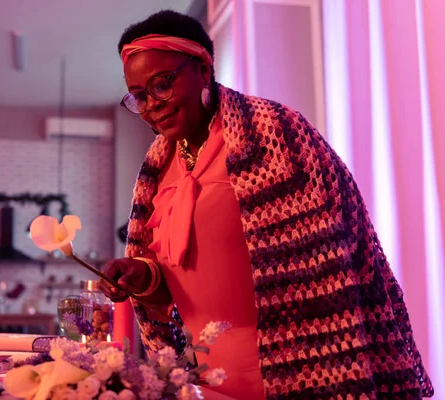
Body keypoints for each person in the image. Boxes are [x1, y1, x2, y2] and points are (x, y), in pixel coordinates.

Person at [99, 9, 434, 400]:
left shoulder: (276, 135)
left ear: (203, 70)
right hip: (199, 383)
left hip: (296, 374)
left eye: (162, 85)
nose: (151, 105)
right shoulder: (157, 168)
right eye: (138, 96)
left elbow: (331, 259)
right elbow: (183, 280)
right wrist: (144, 276)